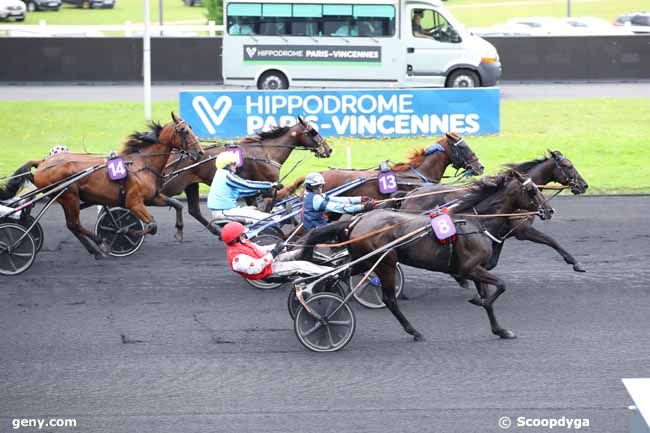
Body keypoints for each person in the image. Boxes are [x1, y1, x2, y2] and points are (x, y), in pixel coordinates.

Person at [222, 221, 332, 280]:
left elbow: (261, 249)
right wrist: (274, 253)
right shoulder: (236, 258)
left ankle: (330, 262)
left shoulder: (243, 243)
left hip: (270, 262)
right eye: (241, 234)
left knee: (300, 251)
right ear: (234, 238)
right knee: (301, 265)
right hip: (267, 271)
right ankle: (331, 273)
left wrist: (279, 246)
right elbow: (255, 268)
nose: (244, 235)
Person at [208, 152, 281, 224]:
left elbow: (239, 192)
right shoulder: (226, 176)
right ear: (226, 165)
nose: (236, 166)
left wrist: (258, 191)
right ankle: (279, 219)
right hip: (225, 212)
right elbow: (247, 184)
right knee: (267, 218)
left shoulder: (221, 174)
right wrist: (270, 185)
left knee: (254, 209)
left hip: (225, 211)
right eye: (233, 164)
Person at [302, 172, 376, 230]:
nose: (319, 189)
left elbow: (338, 199)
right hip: (315, 228)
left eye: (320, 186)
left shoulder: (313, 195)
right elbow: (338, 207)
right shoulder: (316, 199)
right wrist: (362, 207)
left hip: (316, 224)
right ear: (309, 186)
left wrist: (360, 199)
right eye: (316, 187)